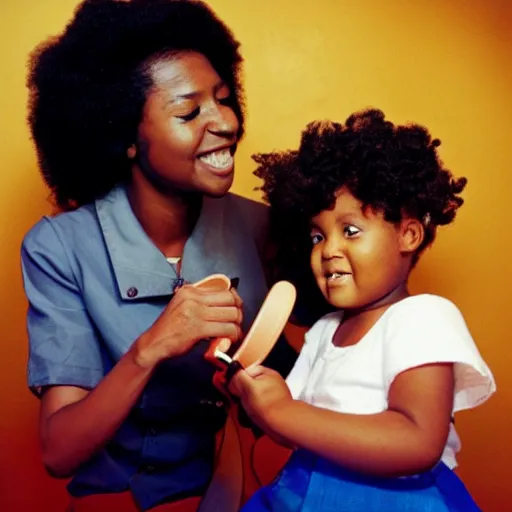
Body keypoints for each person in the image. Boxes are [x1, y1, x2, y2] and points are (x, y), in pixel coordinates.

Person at [21, 1, 296, 510]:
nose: (225, 123)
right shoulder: (58, 248)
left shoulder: (261, 227)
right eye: (189, 111)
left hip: (233, 493)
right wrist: (153, 346)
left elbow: (316, 371)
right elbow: (59, 451)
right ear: (126, 136)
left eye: (223, 99)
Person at [229, 109, 496, 511]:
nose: (328, 250)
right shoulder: (324, 330)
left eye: (350, 231)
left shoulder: (422, 317)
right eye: (318, 235)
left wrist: (282, 411)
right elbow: (296, 427)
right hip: (305, 488)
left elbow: (418, 441)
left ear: (408, 234)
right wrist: (258, 394)